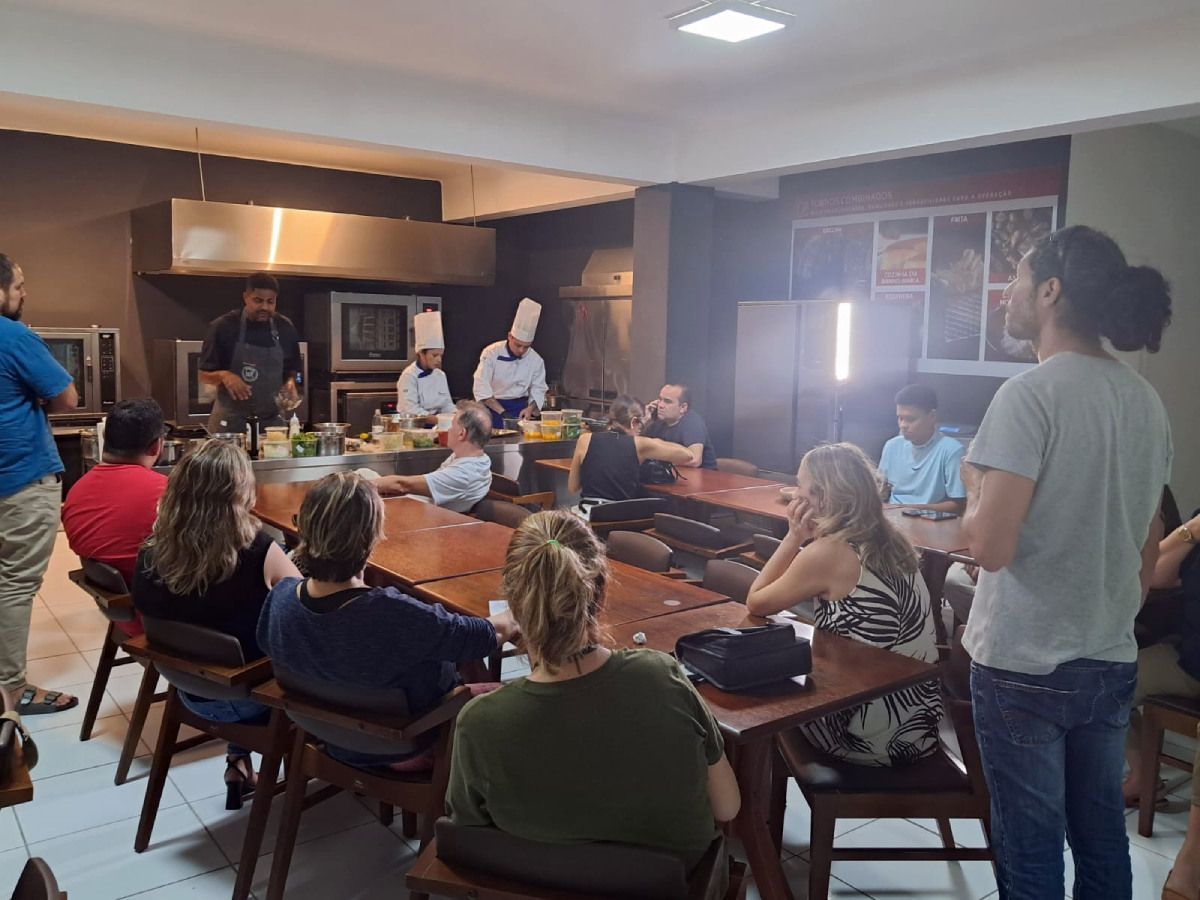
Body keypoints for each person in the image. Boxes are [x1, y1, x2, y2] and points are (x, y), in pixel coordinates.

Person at [960, 225, 1173, 899]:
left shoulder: (1030, 394)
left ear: (1050, 291)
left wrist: (973, 485)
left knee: (1031, 848)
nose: (1005, 296)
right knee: (1101, 835)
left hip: (1024, 663)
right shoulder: (1144, 400)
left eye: (1017, 280)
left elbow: (989, 548)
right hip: (1109, 658)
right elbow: (1146, 549)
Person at [446, 510, 740, 871]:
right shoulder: (662, 678)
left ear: (515, 607)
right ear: (599, 596)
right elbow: (728, 807)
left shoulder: (479, 724)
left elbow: (469, 832)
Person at [257, 471, 517, 770]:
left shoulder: (281, 598)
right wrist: (518, 611)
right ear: (372, 537)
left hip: (323, 733)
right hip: (408, 744)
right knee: (505, 695)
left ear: (300, 527)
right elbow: (485, 636)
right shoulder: (395, 614)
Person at [745, 442, 942, 766]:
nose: (795, 495)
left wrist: (794, 537)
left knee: (755, 712)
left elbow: (756, 602)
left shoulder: (829, 552)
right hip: (916, 720)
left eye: (801, 487)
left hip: (864, 731)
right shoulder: (892, 538)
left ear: (821, 497)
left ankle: (750, 808)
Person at [133, 440, 300, 809]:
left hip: (186, 688)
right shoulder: (257, 550)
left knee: (234, 653)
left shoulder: (150, 551)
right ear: (240, 491)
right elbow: (305, 608)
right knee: (276, 656)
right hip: (254, 703)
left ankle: (237, 762)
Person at [0, 253, 80, 716]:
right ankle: (10, 695)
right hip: (21, 480)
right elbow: (67, 398)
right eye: (18, 286)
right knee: (13, 587)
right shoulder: (13, 336)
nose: (24, 293)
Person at [62, 398, 169, 636]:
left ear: (105, 440)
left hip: (123, 616)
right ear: (156, 447)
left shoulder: (76, 493)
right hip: (168, 625)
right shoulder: (166, 492)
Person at [198, 272, 301, 435]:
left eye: (270, 302)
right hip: (231, 424)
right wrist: (225, 376)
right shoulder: (223, 327)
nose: (265, 307)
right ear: (246, 297)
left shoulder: (285, 327)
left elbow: (293, 370)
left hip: (273, 424)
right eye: (258, 301)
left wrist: (290, 383)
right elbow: (203, 375)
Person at [567, 394, 693, 517]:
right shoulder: (640, 445)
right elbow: (687, 455)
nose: (640, 430)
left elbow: (573, 487)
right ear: (634, 422)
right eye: (640, 426)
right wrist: (656, 442)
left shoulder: (585, 439)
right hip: (617, 518)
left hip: (586, 516)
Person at [375, 401, 493, 512]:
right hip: (415, 506)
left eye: (451, 426)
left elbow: (403, 485)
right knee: (365, 473)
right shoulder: (472, 458)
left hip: (424, 517)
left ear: (461, 434)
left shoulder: (465, 473)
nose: (448, 430)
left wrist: (361, 486)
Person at [877, 384, 966, 514]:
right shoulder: (892, 446)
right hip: (893, 517)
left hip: (930, 521)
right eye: (900, 418)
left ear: (931, 416)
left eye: (910, 419)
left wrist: (909, 509)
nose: (903, 425)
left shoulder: (952, 450)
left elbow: (958, 505)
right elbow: (881, 491)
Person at [472, 297, 548, 429]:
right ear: (509, 336)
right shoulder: (491, 353)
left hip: (520, 411)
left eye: (526, 347)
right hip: (491, 409)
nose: (521, 350)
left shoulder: (536, 360)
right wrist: (502, 412)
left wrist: (530, 408)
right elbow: (481, 386)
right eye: (518, 345)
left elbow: (539, 389)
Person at [642, 383, 716, 469]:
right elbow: (635, 448)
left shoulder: (692, 422)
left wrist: (658, 462)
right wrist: (644, 420)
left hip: (704, 478)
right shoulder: (658, 422)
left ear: (683, 407)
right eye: (660, 399)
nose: (660, 405)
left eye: (667, 401)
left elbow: (695, 460)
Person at [396, 309, 454, 418]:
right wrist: (438, 420)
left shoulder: (440, 375)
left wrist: (457, 414)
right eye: (434, 355)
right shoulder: (409, 376)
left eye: (441, 355)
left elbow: (447, 405)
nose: (439, 360)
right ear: (421, 353)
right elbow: (410, 410)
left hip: (437, 425)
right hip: (415, 427)